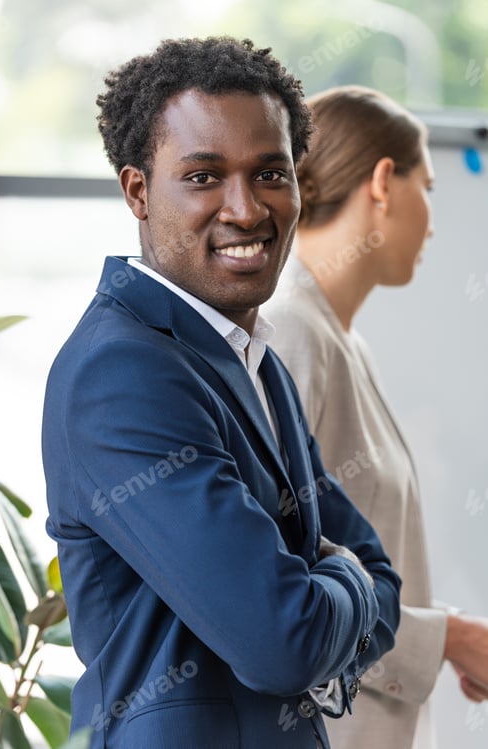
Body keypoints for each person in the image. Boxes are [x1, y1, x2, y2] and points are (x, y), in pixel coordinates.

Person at [41, 41, 401, 749]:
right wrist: (350, 583)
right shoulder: (120, 374)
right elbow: (285, 641)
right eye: (204, 176)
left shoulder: (252, 358)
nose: (246, 209)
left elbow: (381, 571)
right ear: (138, 191)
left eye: (270, 173)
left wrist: (346, 580)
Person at [263, 85, 488, 749]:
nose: (435, 222)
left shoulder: (340, 339)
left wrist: (444, 634)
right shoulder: (289, 332)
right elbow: (284, 584)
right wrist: (449, 636)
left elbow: (350, 551)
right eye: (431, 187)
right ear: (385, 182)